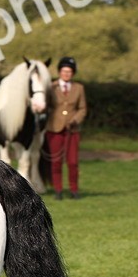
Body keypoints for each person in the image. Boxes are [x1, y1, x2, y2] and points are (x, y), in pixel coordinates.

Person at [45, 56, 87, 200]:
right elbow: (46, 105)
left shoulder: (79, 88)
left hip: (72, 130)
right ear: (59, 72)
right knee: (56, 161)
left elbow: (82, 108)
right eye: (64, 71)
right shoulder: (51, 87)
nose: (66, 74)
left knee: (73, 162)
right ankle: (58, 190)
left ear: (73, 73)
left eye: (69, 72)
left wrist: (75, 120)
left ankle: (74, 190)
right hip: (54, 128)